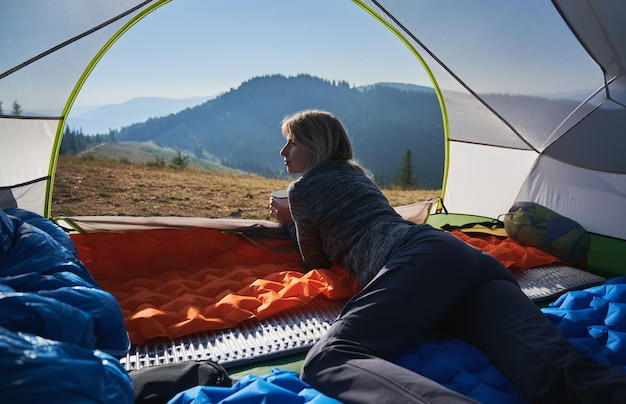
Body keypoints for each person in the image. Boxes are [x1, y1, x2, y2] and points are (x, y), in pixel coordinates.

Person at [268, 109, 626, 404]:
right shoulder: (359, 177)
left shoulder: (301, 190)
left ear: (314, 147)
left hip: (417, 262)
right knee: (555, 368)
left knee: (329, 357)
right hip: (460, 257)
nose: (284, 152)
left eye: (292, 142)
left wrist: (288, 220)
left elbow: (312, 261)